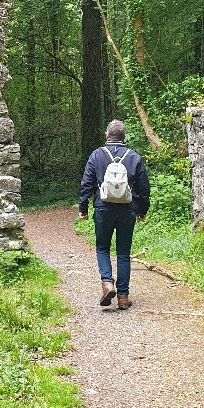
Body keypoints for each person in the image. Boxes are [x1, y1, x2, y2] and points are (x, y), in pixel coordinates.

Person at [79, 119, 150, 310]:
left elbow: (87, 183)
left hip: (103, 208)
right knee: (123, 253)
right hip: (127, 209)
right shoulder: (134, 156)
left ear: (107, 135)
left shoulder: (97, 155)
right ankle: (123, 297)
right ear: (124, 137)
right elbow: (144, 188)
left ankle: (108, 283)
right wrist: (142, 210)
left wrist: (83, 207)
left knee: (102, 248)